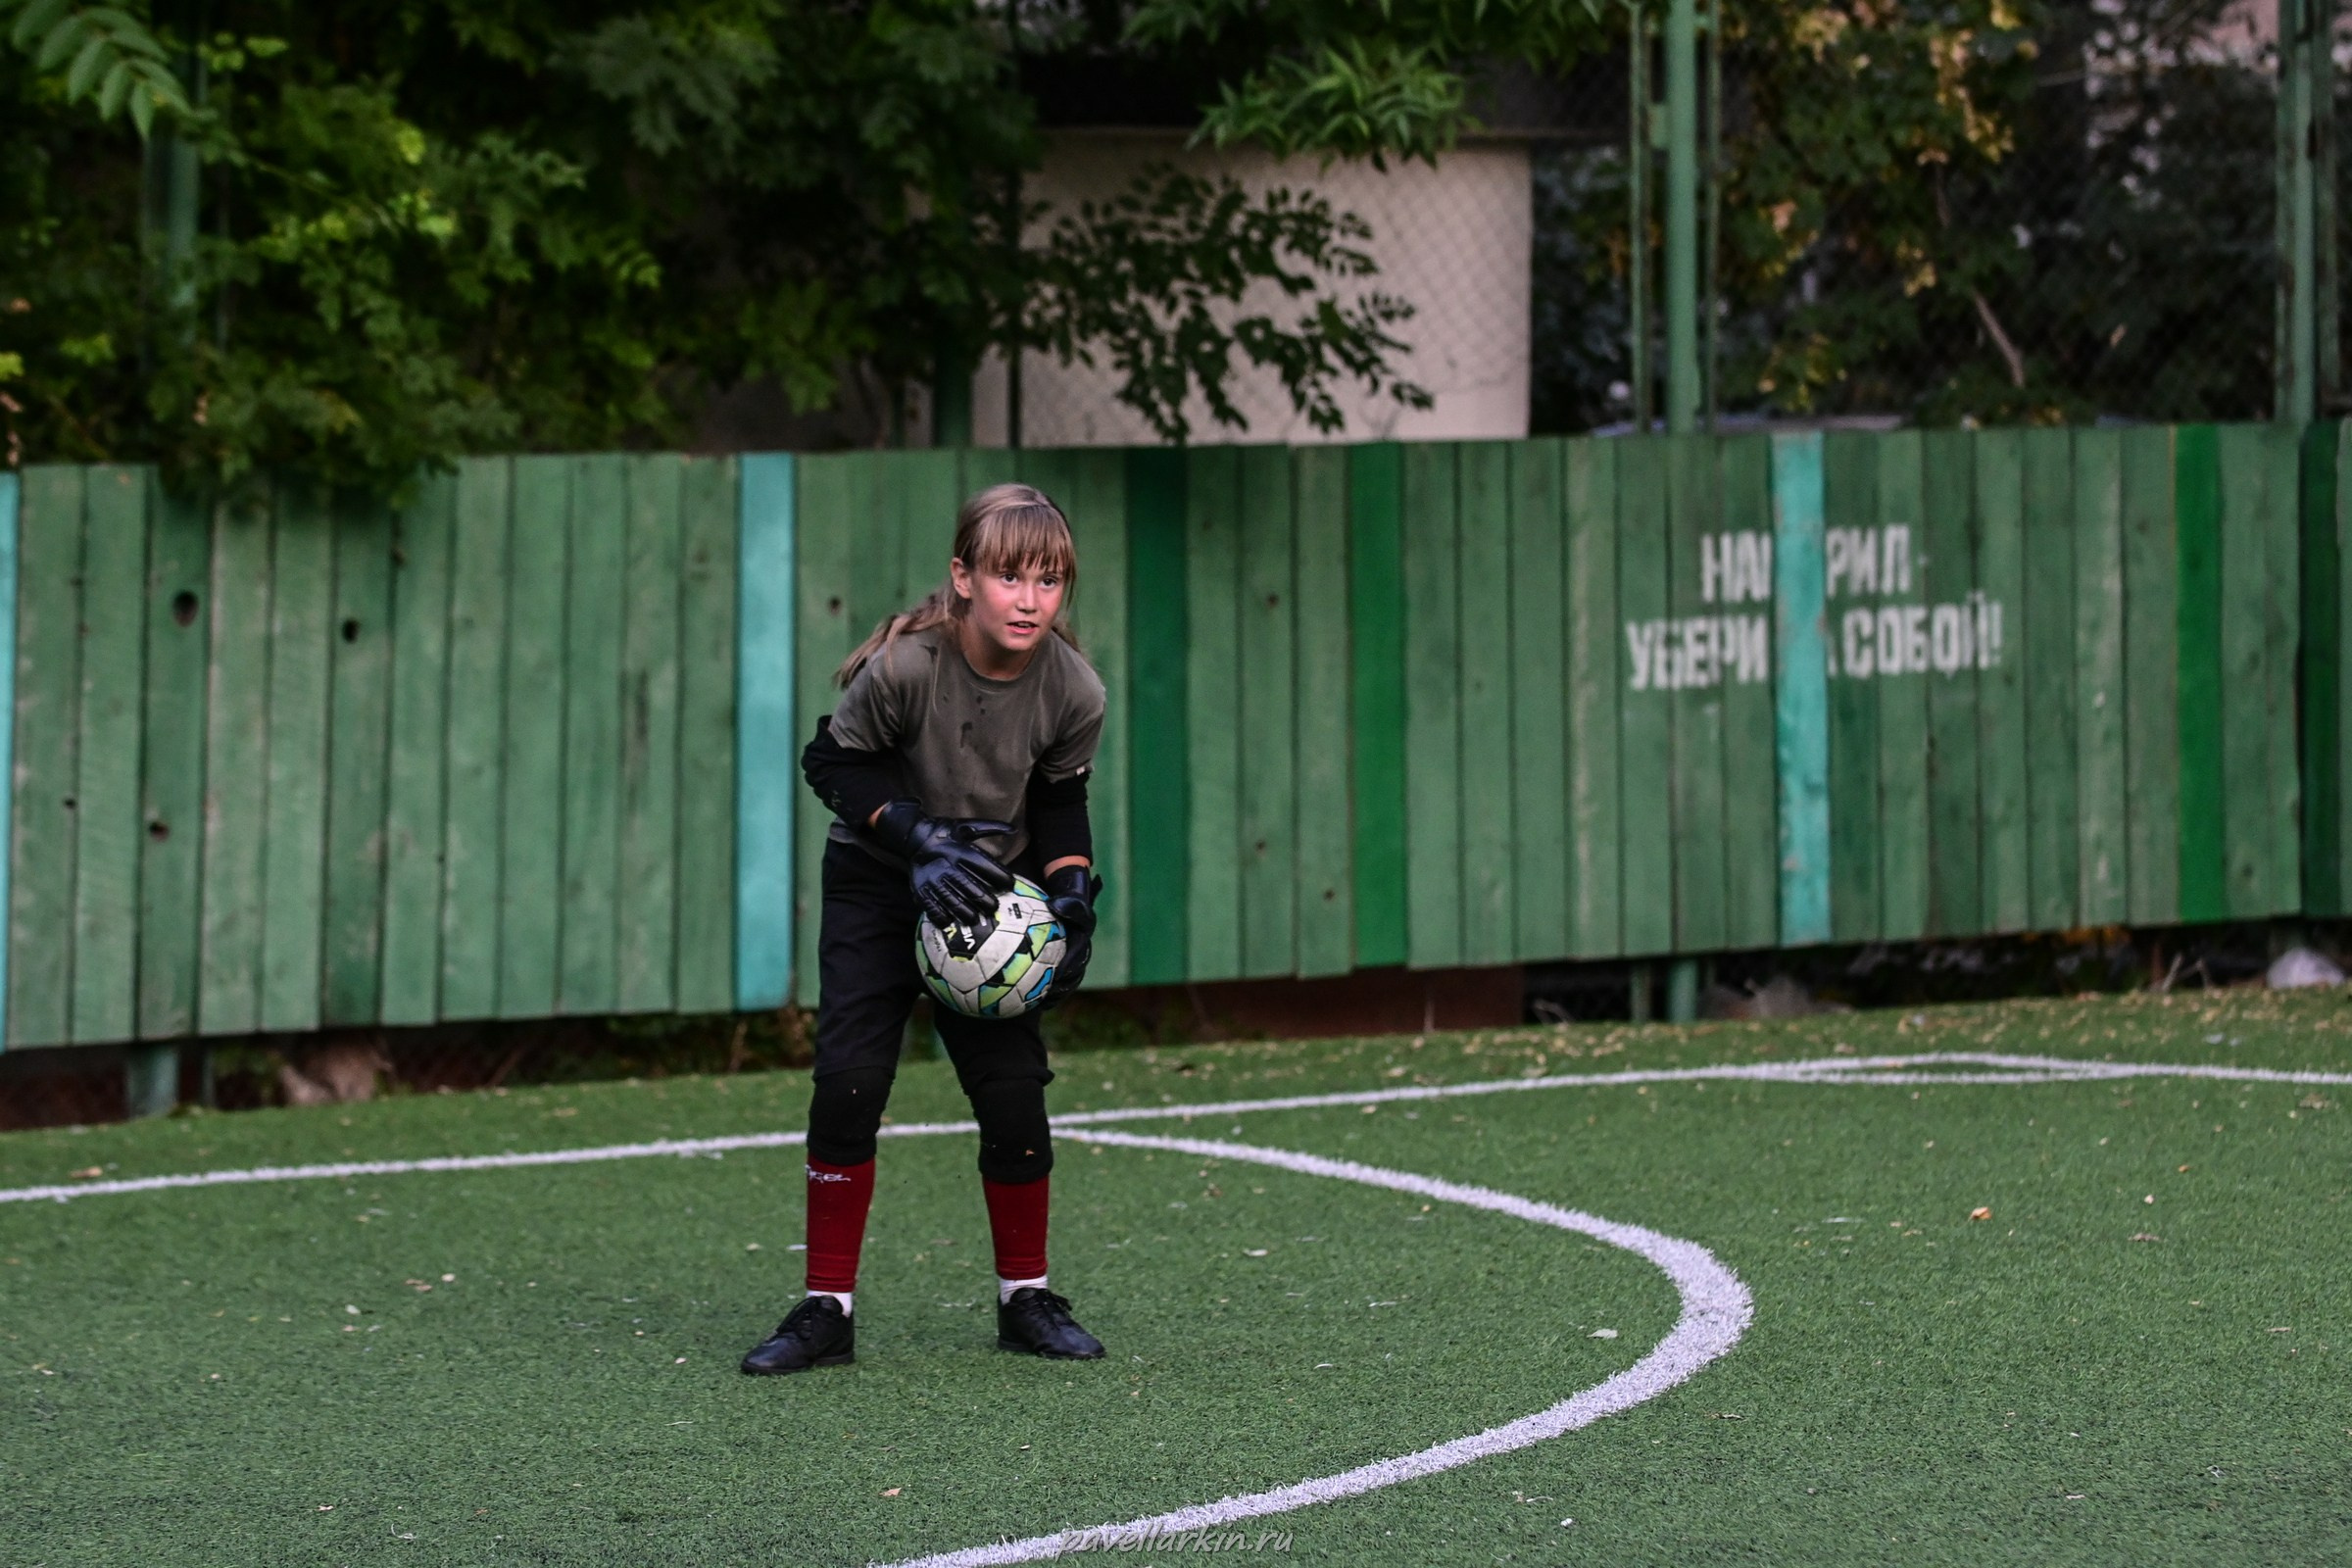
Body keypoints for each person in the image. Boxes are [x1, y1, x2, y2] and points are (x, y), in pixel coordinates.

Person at [740, 482, 1107, 1376]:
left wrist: (1071, 894)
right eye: (1010, 576)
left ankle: (1026, 1296)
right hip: (879, 884)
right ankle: (827, 1308)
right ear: (964, 578)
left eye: (1049, 581)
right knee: (851, 1082)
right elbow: (829, 760)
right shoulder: (908, 667)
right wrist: (918, 839)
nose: (1029, 599)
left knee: (1014, 1093)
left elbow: (1060, 806)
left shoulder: (1075, 689)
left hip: (988, 897)